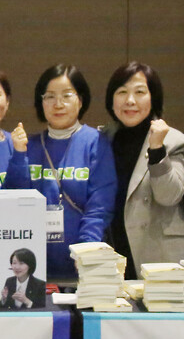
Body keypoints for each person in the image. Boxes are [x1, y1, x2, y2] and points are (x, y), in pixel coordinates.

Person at [102, 61, 184, 278]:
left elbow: (169, 196)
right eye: (122, 92)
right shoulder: (102, 139)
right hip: (116, 256)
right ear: (111, 99)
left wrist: (157, 150)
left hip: (162, 261)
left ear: (153, 98)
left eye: (139, 92)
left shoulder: (174, 140)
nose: (130, 100)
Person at [25, 64, 116, 281]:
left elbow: (99, 206)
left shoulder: (96, 143)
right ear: (41, 102)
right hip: (33, 267)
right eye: (50, 96)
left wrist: (85, 251)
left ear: (80, 100)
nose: (58, 104)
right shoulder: (29, 146)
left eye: (67, 95)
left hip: (82, 266)